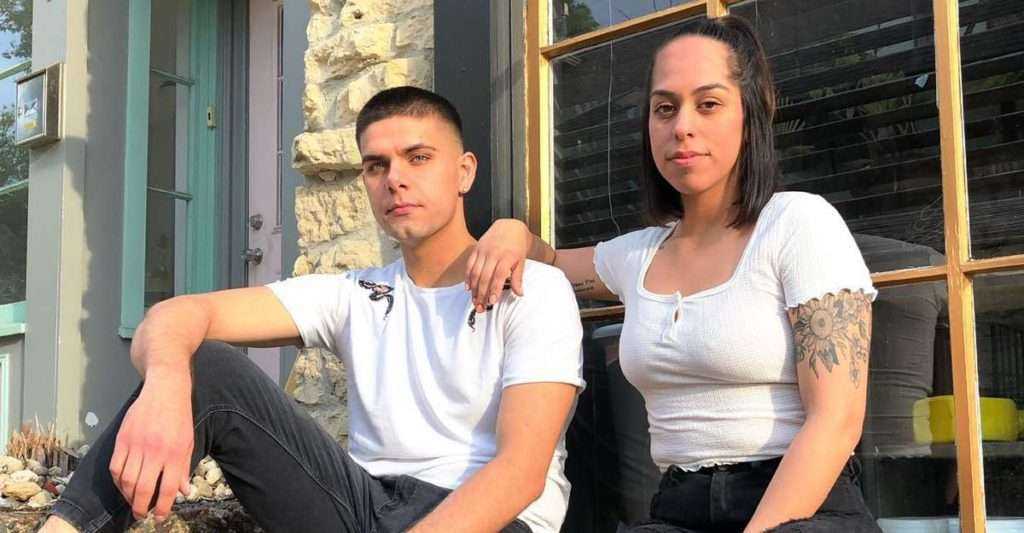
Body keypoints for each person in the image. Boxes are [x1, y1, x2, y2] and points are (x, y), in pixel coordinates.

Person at [41, 87, 584, 533]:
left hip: (491, 520)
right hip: (363, 504)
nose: (395, 178)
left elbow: (519, 473)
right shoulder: (353, 294)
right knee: (204, 365)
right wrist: (165, 385)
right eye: (376, 165)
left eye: (419, 158)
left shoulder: (534, 289)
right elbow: (175, 316)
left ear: (464, 172)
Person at [466, 16, 882, 533]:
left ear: (753, 111)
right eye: (664, 108)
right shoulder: (638, 256)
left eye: (708, 104)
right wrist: (511, 231)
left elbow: (835, 421)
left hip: (800, 505)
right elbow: (546, 262)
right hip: (678, 507)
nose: (682, 126)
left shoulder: (798, 224)